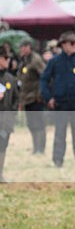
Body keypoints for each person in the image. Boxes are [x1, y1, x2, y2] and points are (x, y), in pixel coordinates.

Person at [40, 31, 75, 168]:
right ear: (63, 45)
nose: (74, 45)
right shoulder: (54, 61)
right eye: (71, 43)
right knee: (60, 133)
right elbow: (44, 80)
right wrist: (48, 98)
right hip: (60, 103)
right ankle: (58, 160)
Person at [17, 38, 47, 154]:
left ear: (28, 47)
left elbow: (44, 77)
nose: (20, 49)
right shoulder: (25, 60)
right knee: (31, 124)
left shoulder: (35, 60)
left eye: (22, 47)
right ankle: (35, 148)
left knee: (38, 124)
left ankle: (40, 149)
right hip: (27, 98)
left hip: (35, 97)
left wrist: (40, 93)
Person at [0, 46, 19, 182]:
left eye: (8, 58)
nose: (8, 61)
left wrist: (12, 116)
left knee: (2, 147)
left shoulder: (10, 79)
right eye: (5, 58)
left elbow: (15, 99)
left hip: (5, 120)